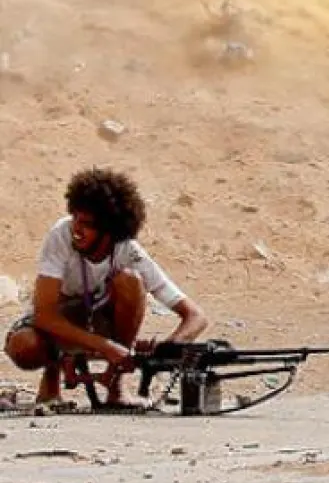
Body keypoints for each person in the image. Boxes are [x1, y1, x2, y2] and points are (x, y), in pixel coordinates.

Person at [4, 167, 210, 407]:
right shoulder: (60, 236)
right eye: (75, 219)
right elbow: (44, 315)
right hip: (58, 324)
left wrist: (169, 348)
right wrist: (105, 346)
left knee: (131, 282)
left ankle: (116, 386)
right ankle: (51, 378)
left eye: (87, 225)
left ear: (110, 231)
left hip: (98, 322)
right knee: (23, 346)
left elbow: (195, 316)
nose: (76, 230)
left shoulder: (128, 251)